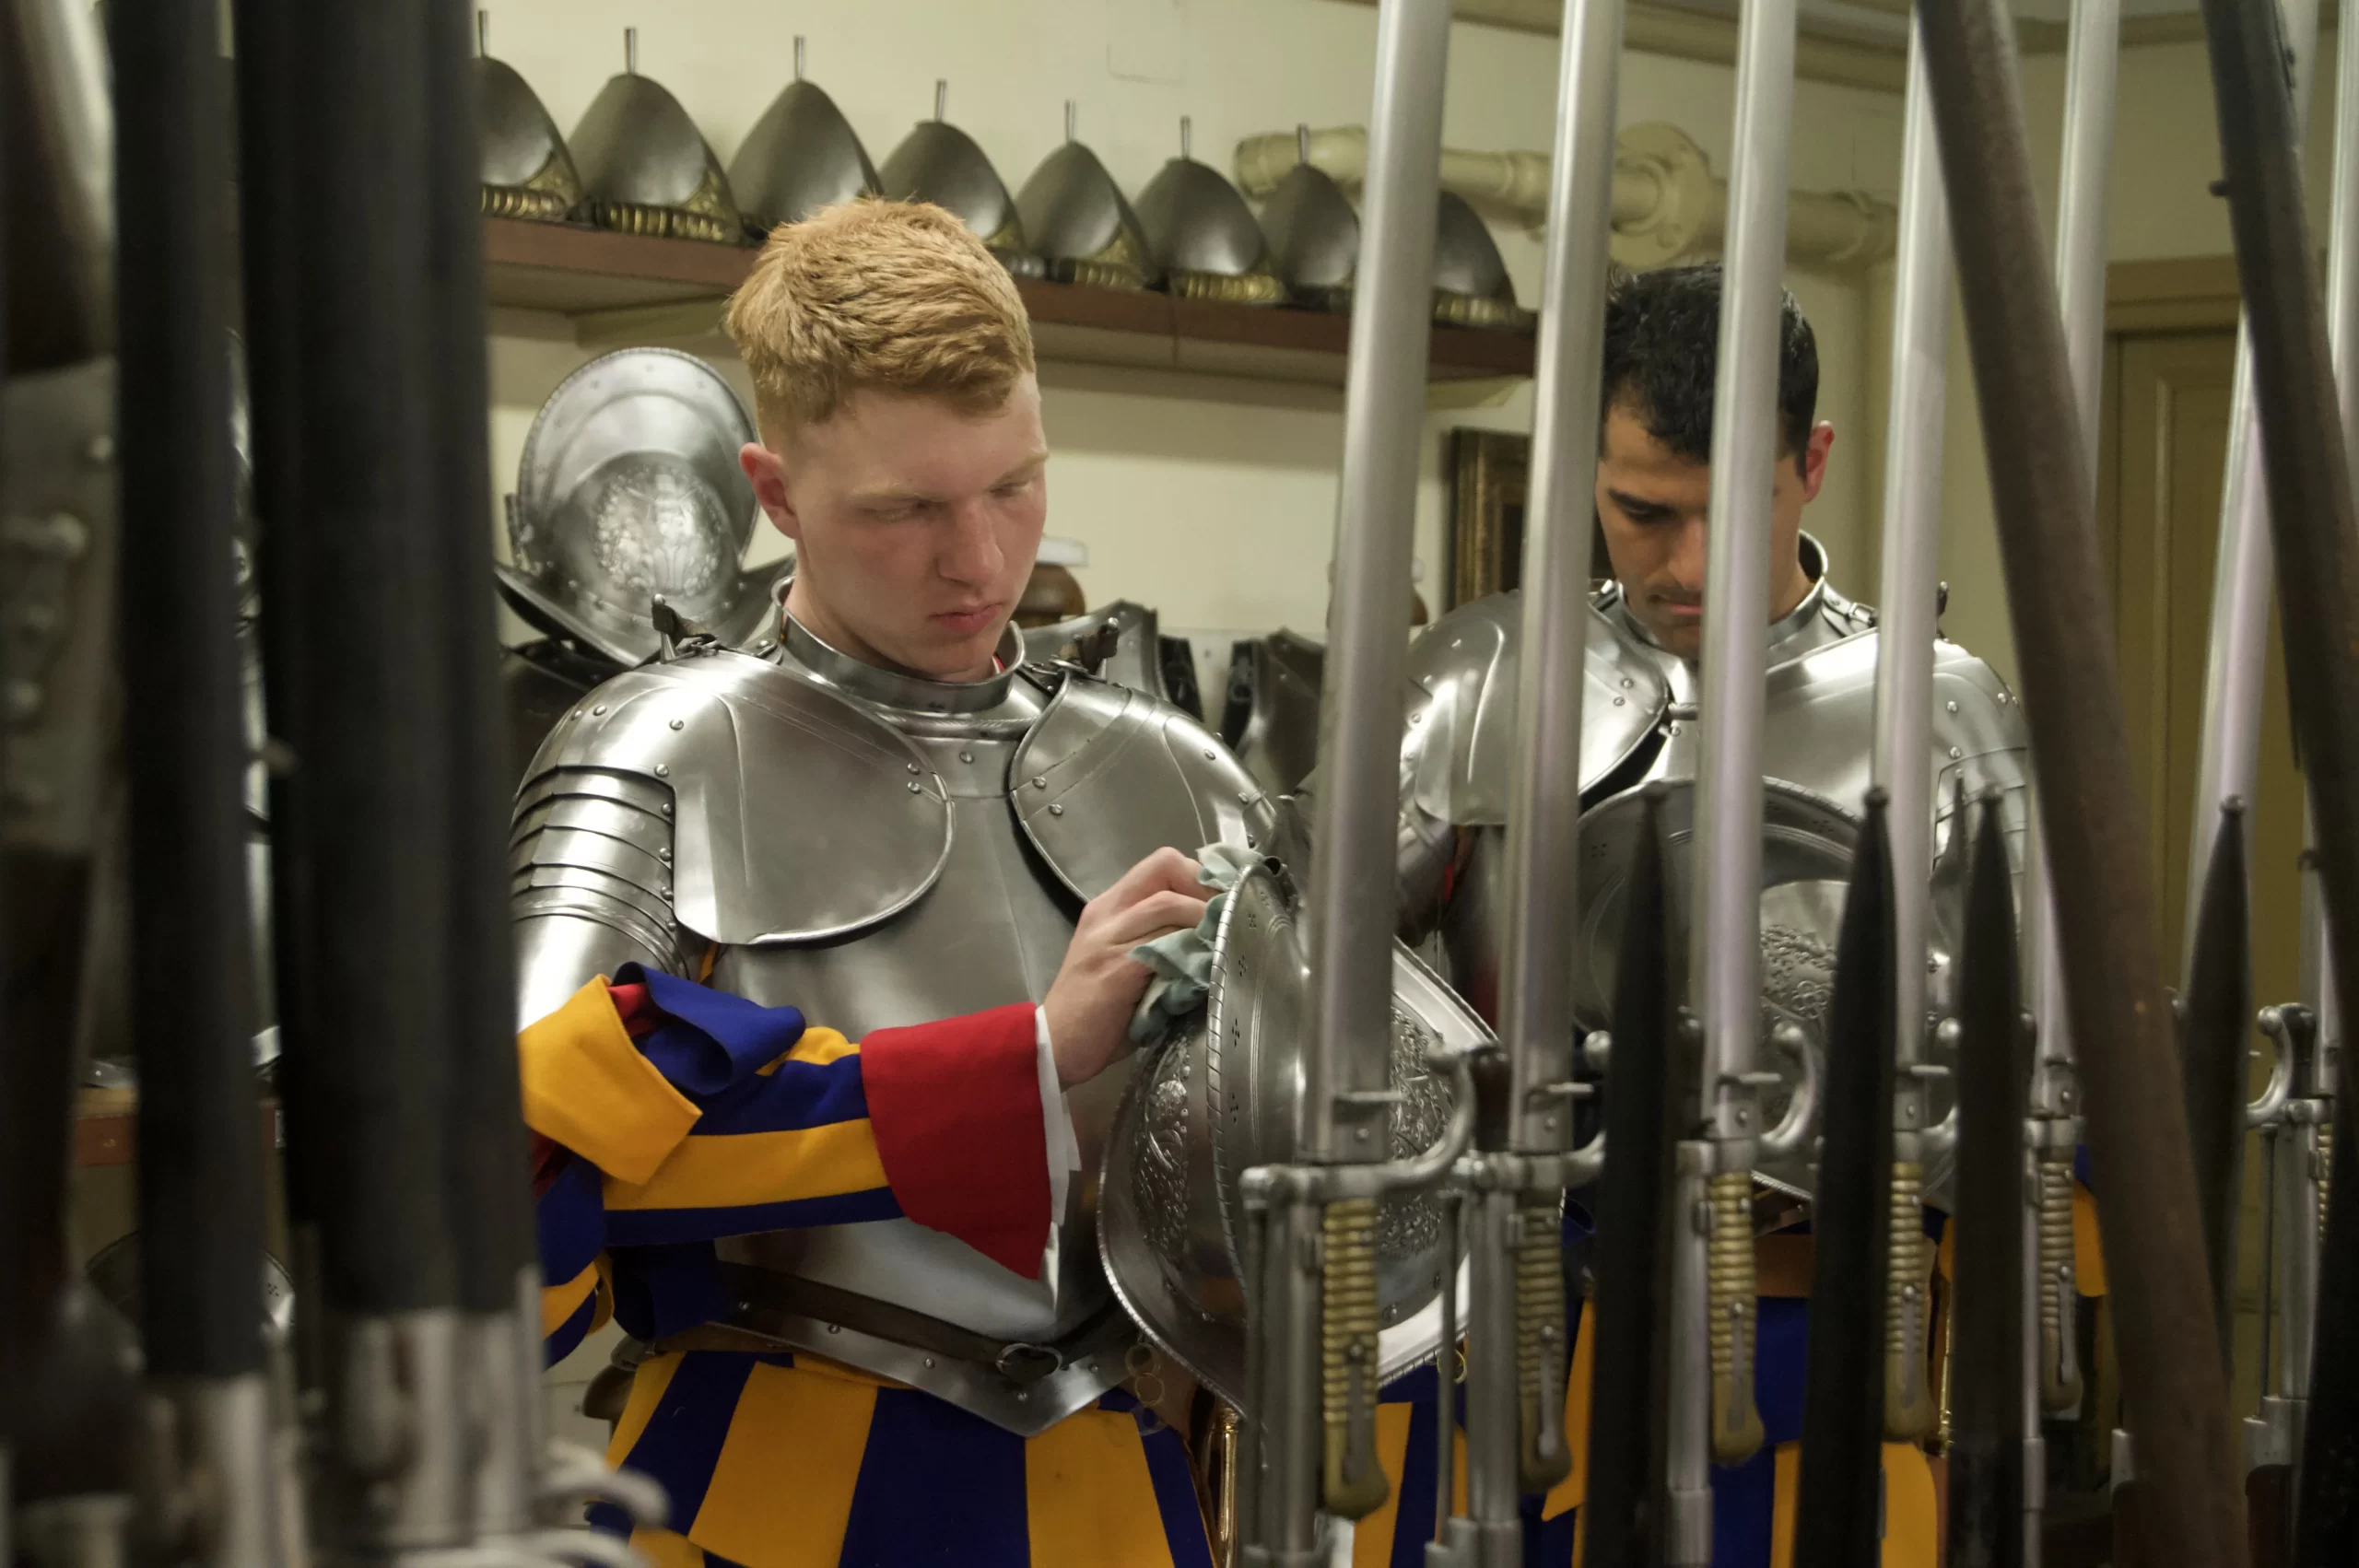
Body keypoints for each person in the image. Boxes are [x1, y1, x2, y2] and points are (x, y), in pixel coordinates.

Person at [511, 199, 1275, 1567]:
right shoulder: (661, 755)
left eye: (1014, 485)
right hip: (764, 1486)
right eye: (906, 507)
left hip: (1126, 1490)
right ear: (776, 491)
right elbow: (523, 1186)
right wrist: (1027, 1063)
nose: (982, 560)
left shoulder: (1179, 770)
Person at [1377, 263, 2054, 1568]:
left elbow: (2031, 1082)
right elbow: (1298, 975)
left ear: (1813, 460)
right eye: (1643, 513)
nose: (1685, 565)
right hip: (1517, 1323)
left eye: (1728, 511)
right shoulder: (1481, 682)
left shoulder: (1942, 712)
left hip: (1822, 1342)